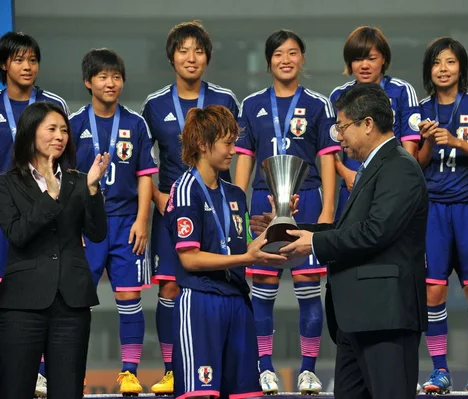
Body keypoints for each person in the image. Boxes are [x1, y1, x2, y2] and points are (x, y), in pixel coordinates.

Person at [279, 83, 427, 399]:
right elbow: (348, 228)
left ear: (368, 125)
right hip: (355, 319)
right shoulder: (372, 167)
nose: (339, 136)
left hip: (385, 317)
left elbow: (376, 232)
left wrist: (314, 245)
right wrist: (288, 228)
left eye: (342, 127)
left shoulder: (400, 167)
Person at [234, 29, 340, 395]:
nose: (286, 59)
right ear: (268, 61)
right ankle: (265, 368)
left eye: (293, 52)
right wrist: (240, 208)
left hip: (308, 198)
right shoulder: (250, 105)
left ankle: (308, 370)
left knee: (309, 285)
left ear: (303, 59)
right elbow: (244, 159)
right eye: (278, 53)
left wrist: (327, 210)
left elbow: (328, 159)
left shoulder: (318, 104)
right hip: (263, 201)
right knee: (262, 284)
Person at [140, 21, 240, 394]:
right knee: (168, 287)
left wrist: (234, 198)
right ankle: (171, 370)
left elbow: (237, 153)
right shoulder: (154, 104)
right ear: (171, 58)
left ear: (208, 58)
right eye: (183, 50)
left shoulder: (225, 99)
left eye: (198, 50)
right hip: (170, 205)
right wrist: (157, 197)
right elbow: (143, 162)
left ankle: (216, 364)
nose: (191, 57)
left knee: (218, 282)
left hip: (214, 205)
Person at [165, 105, 287, 399]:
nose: (235, 150)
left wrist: (279, 223)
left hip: (237, 301)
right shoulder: (184, 190)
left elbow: (243, 245)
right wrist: (247, 258)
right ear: (203, 145)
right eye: (228, 143)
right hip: (200, 301)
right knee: (201, 394)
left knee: (244, 394)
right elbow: (190, 258)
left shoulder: (235, 194)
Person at [0, 101, 108, 399]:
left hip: (71, 305)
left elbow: (97, 233)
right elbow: (17, 234)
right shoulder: (4, 184)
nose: (60, 136)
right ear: (31, 133)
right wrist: (49, 195)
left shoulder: (79, 181)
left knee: (67, 391)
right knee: (14, 390)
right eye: (52, 129)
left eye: (64, 130)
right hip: (22, 304)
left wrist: (93, 191)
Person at [69, 48, 158, 395]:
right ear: (88, 82)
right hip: (85, 224)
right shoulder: (74, 123)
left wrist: (142, 221)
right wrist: (71, 224)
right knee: (76, 299)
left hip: (125, 222)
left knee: (129, 295)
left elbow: (146, 176)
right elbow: (65, 180)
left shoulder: (136, 123)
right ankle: (72, 368)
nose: (111, 83)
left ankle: (129, 372)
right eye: (103, 76)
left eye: (116, 76)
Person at [417, 37, 468, 395]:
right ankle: (439, 372)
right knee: (432, 291)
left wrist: (457, 142)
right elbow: (416, 165)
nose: (443, 69)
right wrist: (431, 143)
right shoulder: (419, 109)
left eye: (450, 62)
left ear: (461, 67)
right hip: (433, 209)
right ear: (429, 70)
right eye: (437, 63)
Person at [0, 31, 69, 397]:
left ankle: (40, 374)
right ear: (4, 64)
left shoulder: (53, 104)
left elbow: (68, 162)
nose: (27, 66)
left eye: (33, 60)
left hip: (47, 203)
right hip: (1, 207)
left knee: (45, 287)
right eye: (19, 60)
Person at [329, 26, 421, 219]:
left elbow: (409, 146)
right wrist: (346, 174)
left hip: (391, 182)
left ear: (384, 59)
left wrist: (398, 177)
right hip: (352, 184)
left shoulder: (402, 91)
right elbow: (330, 150)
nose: (364, 65)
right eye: (357, 59)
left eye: (371, 58)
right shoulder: (338, 96)